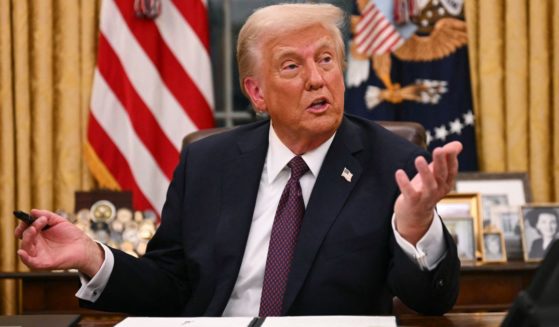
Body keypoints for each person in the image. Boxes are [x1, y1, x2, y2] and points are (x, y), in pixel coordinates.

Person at [16, 3, 462, 317]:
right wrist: (92, 256)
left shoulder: (395, 163)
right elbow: (170, 285)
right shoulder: (207, 163)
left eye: (327, 60)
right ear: (256, 93)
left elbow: (431, 303)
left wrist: (416, 227)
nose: (316, 79)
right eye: (291, 66)